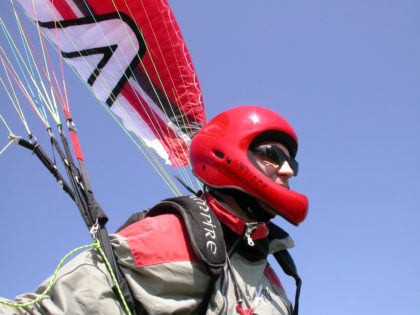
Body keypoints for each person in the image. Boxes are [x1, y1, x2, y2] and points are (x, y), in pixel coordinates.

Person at [0, 105, 308, 315]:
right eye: (273, 155)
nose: (288, 171)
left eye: (292, 163)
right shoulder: (175, 237)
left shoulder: (275, 277)